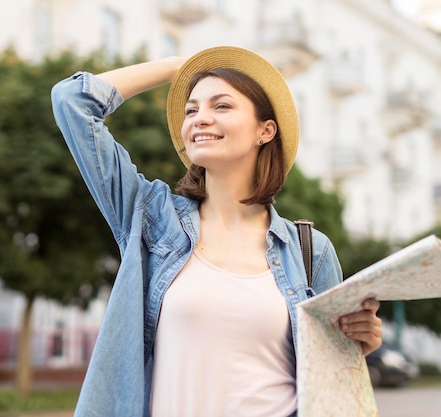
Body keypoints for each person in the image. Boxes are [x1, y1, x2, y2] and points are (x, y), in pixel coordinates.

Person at [51, 46, 382, 417]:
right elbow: (71, 101)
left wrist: (355, 346)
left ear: (265, 130)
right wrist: (177, 67)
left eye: (221, 106)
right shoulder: (151, 218)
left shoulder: (309, 251)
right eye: (191, 109)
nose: (200, 118)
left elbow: (330, 380)